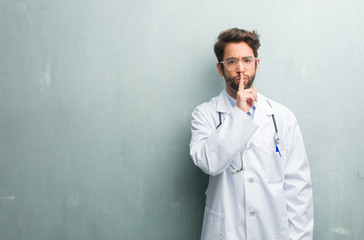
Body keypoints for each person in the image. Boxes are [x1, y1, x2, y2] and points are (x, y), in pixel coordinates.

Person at [189, 28, 314, 240]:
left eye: (247, 60)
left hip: (272, 231)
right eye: (231, 62)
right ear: (220, 69)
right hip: (226, 232)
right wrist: (239, 113)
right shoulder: (204, 114)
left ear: (257, 64)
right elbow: (209, 162)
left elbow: (298, 189)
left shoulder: (282, 117)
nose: (240, 68)